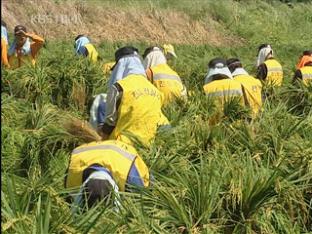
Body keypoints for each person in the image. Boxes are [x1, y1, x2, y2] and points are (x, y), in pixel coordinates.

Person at [98, 46, 169, 147]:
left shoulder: (119, 87)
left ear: (121, 66)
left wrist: (100, 142)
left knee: (100, 106)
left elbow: (109, 124)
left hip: (121, 146)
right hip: (148, 146)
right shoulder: (155, 91)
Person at [64, 140, 150, 211]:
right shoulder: (72, 175)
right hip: (88, 150)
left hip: (123, 150)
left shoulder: (131, 175)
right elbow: (71, 208)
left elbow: (145, 198)